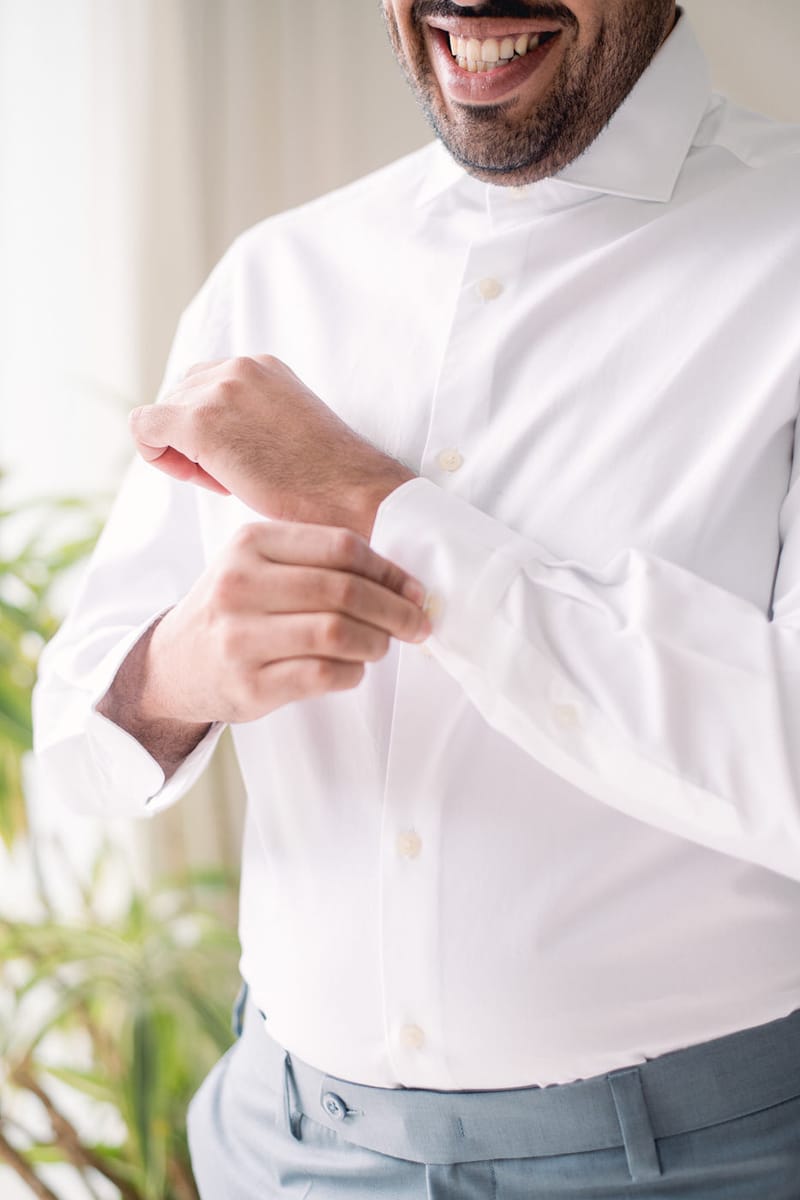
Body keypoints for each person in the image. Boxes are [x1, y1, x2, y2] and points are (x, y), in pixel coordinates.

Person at [34, 0, 800, 1195]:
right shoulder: (274, 276)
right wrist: (173, 674)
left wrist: (377, 503)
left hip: (704, 1162)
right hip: (283, 1144)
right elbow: (77, 740)